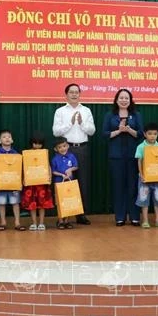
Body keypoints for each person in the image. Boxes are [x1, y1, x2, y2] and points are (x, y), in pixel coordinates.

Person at [52, 83, 95, 225]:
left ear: (80, 94)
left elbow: (92, 131)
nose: (74, 94)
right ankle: (65, 216)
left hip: (82, 149)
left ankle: (81, 214)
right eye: (71, 92)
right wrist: (70, 124)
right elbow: (56, 132)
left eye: (77, 92)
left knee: (83, 182)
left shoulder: (86, 110)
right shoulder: (60, 111)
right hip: (65, 150)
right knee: (66, 183)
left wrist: (82, 123)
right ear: (66, 94)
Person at [101, 89, 143, 226]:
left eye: (126, 98)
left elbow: (141, 134)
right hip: (116, 156)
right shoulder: (110, 115)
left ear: (130, 100)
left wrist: (129, 130)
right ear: (116, 100)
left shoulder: (136, 115)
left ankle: (135, 216)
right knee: (118, 187)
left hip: (133, 156)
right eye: (121, 98)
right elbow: (105, 134)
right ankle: (120, 216)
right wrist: (119, 130)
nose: (124, 100)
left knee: (133, 186)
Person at [135, 123, 158, 229]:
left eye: (155, 134)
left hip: (157, 178)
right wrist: (142, 174)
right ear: (144, 134)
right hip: (145, 179)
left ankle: (157, 220)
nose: (152, 136)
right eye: (149, 134)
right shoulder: (141, 146)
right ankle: (145, 221)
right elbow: (139, 161)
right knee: (144, 200)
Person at [21, 132, 54, 231]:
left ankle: (41, 223)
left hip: (42, 184)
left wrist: (50, 177)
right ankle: (34, 223)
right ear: (31, 143)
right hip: (31, 184)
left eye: (39, 143)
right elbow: (24, 167)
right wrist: (23, 178)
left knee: (42, 204)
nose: (37, 145)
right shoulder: (27, 153)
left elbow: (47, 166)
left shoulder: (44, 153)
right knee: (32, 205)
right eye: (35, 143)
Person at [0, 129, 25, 231]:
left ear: (12, 140)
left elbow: (19, 169)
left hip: (13, 183)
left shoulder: (16, 153)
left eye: (9, 137)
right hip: (1, 182)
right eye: (4, 137)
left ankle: (17, 222)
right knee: (1, 203)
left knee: (15, 203)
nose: (7, 138)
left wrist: (20, 181)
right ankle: (3, 222)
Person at [51, 137, 78, 230]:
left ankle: (67, 221)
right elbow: (53, 171)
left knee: (69, 201)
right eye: (60, 147)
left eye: (64, 146)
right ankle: (60, 221)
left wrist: (70, 169)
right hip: (59, 183)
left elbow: (75, 166)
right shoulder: (55, 159)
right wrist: (61, 175)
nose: (63, 148)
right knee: (59, 202)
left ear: (68, 146)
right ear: (56, 149)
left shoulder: (71, 156)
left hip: (69, 182)